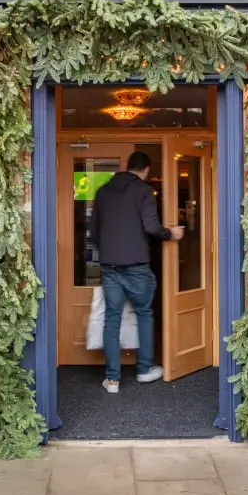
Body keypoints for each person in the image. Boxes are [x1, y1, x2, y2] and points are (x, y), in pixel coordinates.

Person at [90, 151, 184, 393]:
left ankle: (112, 380)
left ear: (126, 166)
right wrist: (170, 234)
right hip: (137, 267)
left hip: (110, 267)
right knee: (144, 313)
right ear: (145, 170)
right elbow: (151, 226)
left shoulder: (102, 192)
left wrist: (109, 254)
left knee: (112, 318)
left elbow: (94, 232)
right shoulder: (143, 191)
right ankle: (144, 369)